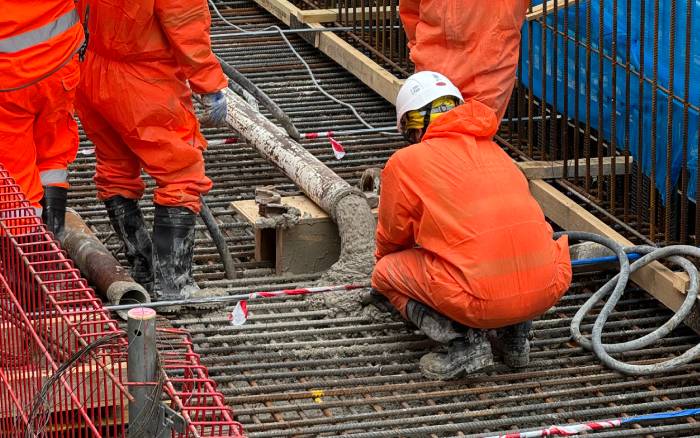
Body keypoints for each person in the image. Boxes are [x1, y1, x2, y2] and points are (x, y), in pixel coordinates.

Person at [368, 71, 572, 380]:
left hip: (484, 299)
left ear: (412, 125)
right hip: (547, 285)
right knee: (509, 249)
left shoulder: (407, 161)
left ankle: (462, 344)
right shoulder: (498, 153)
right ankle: (515, 340)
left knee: (386, 272)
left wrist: (387, 284)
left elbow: (392, 240)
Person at [75, 0, 229, 300]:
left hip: (90, 70)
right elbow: (185, 23)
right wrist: (209, 85)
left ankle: (142, 264)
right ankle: (173, 284)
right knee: (181, 174)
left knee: (115, 168)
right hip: (143, 80)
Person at [0, 1, 85, 237]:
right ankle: (54, 240)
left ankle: (30, 257)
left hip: (9, 80)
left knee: (14, 181)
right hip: (60, 63)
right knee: (53, 156)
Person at [399, 0, 528, 122]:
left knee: (469, 135)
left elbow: (410, 10)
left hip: (484, 71)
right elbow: (410, 9)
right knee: (455, 137)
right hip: (481, 66)